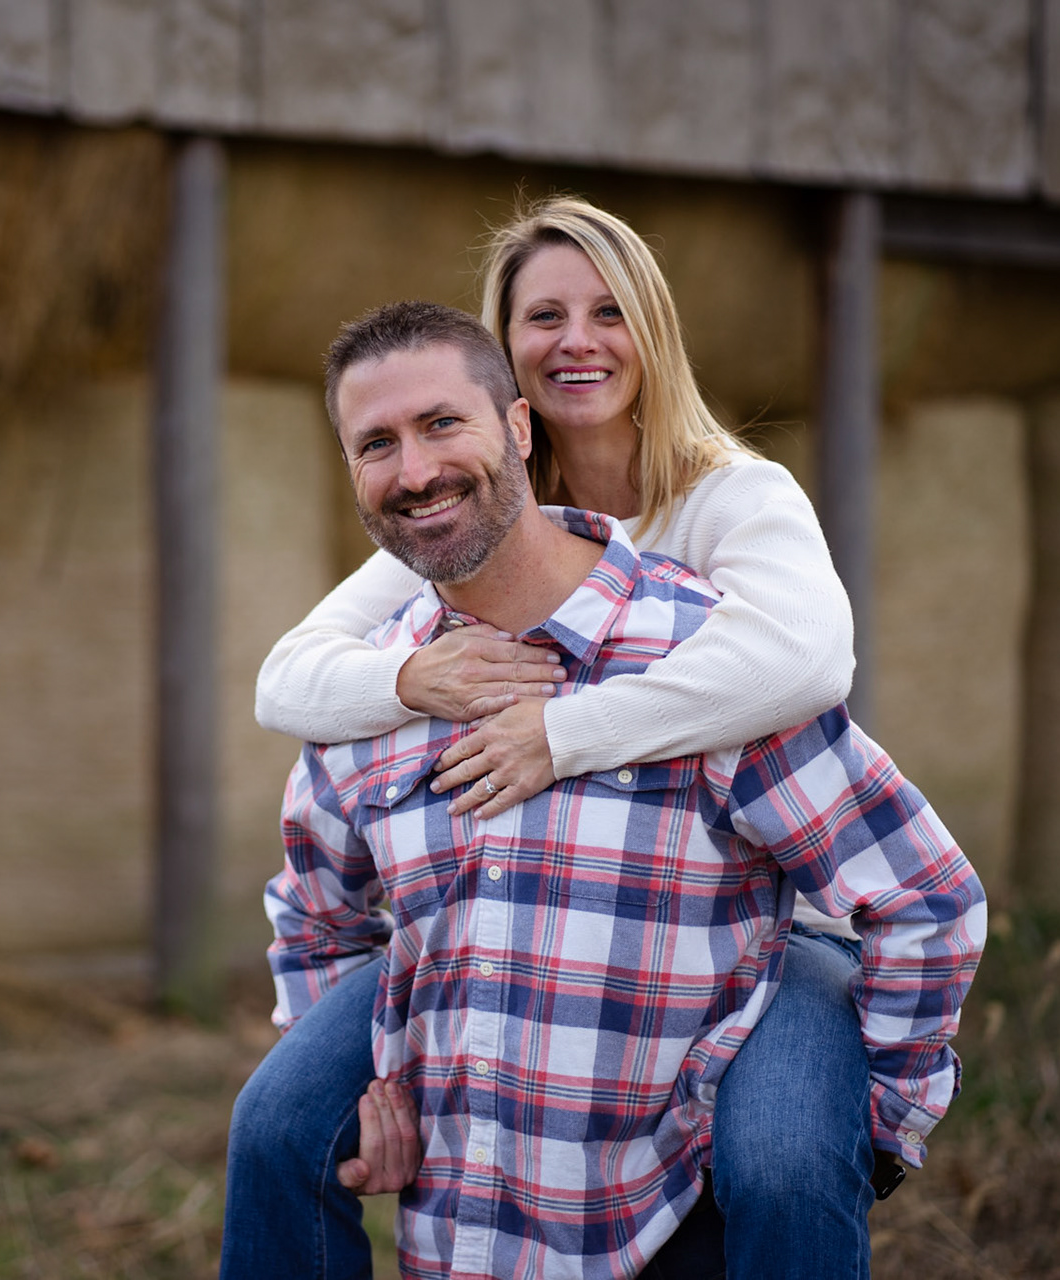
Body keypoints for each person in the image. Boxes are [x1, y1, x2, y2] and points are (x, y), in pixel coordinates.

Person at [255, 299, 984, 1278]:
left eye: (441, 423)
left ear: (519, 427)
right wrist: (373, 1099)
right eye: (375, 443)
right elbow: (313, 916)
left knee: (789, 1161)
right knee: (267, 1125)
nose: (414, 470)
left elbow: (925, 897)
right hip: (466, 1240)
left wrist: (886, 1117)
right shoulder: (379, 690)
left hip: (674, 1222)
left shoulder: (714, 651)